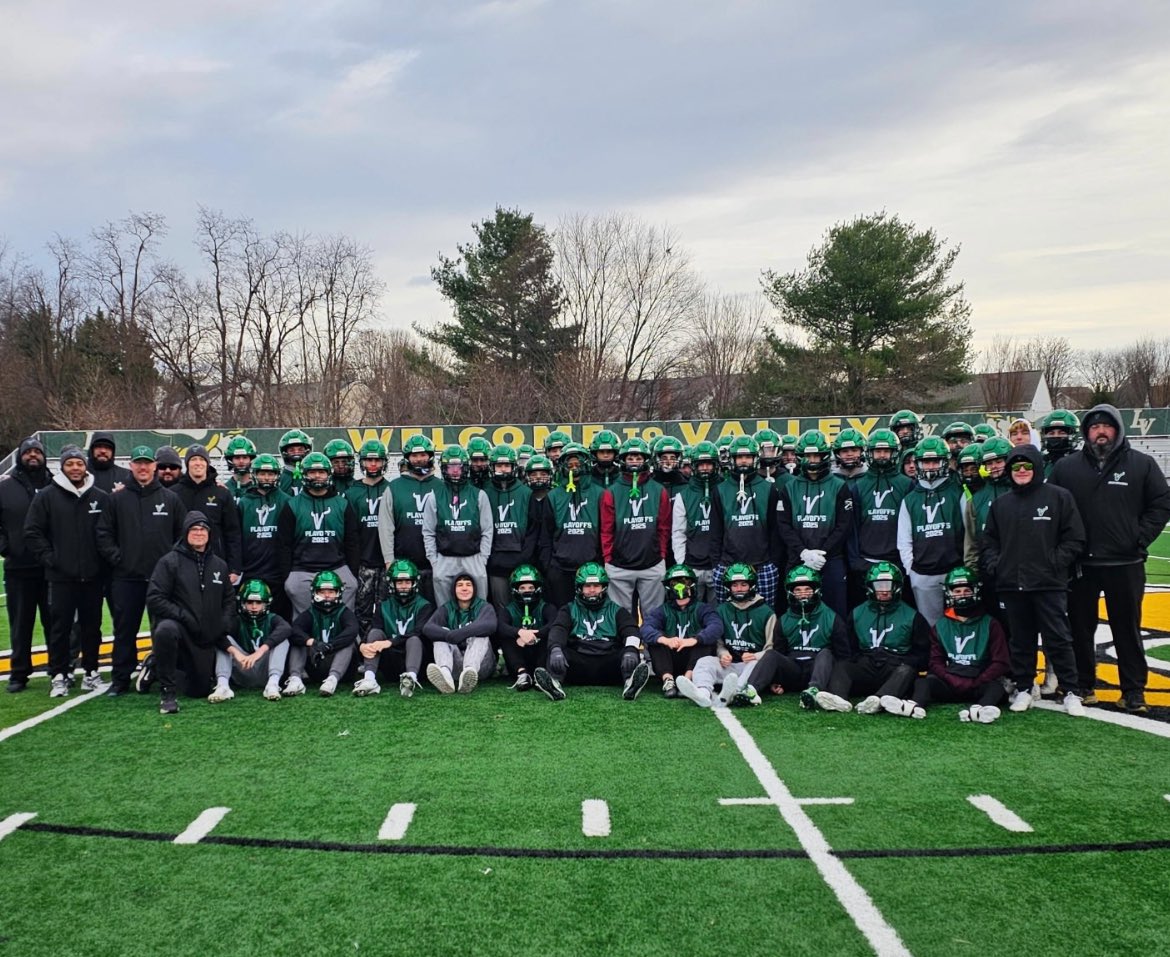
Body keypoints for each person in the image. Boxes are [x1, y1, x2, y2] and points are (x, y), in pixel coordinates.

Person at [1049, 404, 1170, 713]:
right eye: (1094, 427)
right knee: (1080, 628)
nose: (1100, 432)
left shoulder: (1141, 465)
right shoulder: (1067, 467)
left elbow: (1161, 503)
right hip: (1082, 564)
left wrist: (1139, 537)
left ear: (1117, 429)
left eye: (1107, 426)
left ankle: (1133, 690)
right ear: (1086, 432)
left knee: (1127, 629)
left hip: (1125, 564)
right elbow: (1054, 511)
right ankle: (1083, 685)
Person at [982, 444, 1086, 716]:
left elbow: (1074, 538)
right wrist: (997, 565)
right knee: (1021, 641)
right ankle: (1024, 688)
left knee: (1059, 639)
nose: (1022, 471)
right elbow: (989, 542)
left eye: (1027, 466)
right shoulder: (1001, 504)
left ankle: (1072, 691)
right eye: (1016, 467)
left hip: (1049, 584)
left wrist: (1054, 564)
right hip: (1012, 585)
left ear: (1037, 468)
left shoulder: (1059, 497)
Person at [96, 445, 187, 696]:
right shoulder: (117, 499)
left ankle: (163, 676)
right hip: (127, 578)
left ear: (154, 466)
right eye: (139, 463)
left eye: (148, 463)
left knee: (164, 630)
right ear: (131, 466)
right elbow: (103, 534)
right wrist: (120, 559)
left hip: (162, 581)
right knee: (125, 630)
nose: (143, 467)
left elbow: (183, 536)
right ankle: (120, 679)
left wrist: (171, 566)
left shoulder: (170, 499)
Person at [23, 446, 109, 697]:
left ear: (85, 466)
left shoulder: (99, 497)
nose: (75, 468)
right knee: (60, 628)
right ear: (62, 466)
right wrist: (51, 559)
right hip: (61, 577)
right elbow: (32, 531)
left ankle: (91, 672)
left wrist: (101, 563)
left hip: (92, 577)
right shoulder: (47, 496)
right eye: (70, 463)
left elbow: (106, 533)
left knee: (92, 627)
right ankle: (59, 674)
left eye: (79, 464)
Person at [879, 567, 1010, 722]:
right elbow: (935, 662)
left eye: (966, 590)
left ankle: (980, 710)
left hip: (978, 681)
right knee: (923, 683)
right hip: (950, 681)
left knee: (996, 688)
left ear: (975, 591)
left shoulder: (991, 624)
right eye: (957, 591)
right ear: (949, 593)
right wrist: (951, 678)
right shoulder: (940, 625)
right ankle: (914, 705)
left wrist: (978, 680)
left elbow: (1001, 662)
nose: (962, 595)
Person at [143, 512, 236, 714]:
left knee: (199, 690)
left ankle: (156, 666)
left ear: (209, 534)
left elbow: (229, 600)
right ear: (185, 533)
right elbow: (155, 598)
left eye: (203, 529)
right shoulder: (169, 562)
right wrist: (183, 616)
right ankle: (167, 692)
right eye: (194, 529)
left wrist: (223, 624)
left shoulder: (219, 565)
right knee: (165, 630)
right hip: (180, 628)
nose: (199, 533)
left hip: (206, 636)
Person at [815, 562, 929, 714]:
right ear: (870, 587)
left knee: (906, 670)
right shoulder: (857, 613)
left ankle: (879, 700)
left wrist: (903, 661)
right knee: (842, 666)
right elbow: (849, 647)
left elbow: (922, 653)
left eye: (888, 585)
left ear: (897, 587)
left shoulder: (913, 616)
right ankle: (838, 698)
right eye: (879, 586)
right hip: (867, 663)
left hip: (895, 665)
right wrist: (860, 659)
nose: (883, 591)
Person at [532, 562, 648, 702]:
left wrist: (630, 649)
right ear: (579, 588)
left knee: (629, 652)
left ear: (604, 587)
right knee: (556, 651)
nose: (592, 590)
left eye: (596, 586)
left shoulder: (617, 610)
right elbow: (558, 629)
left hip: (609, 665)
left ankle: (630, 683)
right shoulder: (568, 609)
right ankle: (555, 683)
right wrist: (555, 649)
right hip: (578, 665)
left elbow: (631, 630)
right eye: (587, 586)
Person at [747, 564, 851, 710]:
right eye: (798, 590)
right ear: (791, 593)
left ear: (816, 590)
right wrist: (776, 680)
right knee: (771, 654)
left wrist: (836, 683)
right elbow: (780, 652)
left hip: (818, 671)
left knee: (826, 653)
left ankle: (813, 692)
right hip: (794, 669)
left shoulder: (832, 618)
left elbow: (843, 656)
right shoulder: (784, 619)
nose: (803, 594)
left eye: (807, 589)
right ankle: (750, 690)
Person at [777, 430, 854, 617]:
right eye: (808, 456)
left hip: (831, 559)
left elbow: (844, 525)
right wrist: (804, 552)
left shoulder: (839, 486)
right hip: (798, 558)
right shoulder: (789, 487)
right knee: (796, 612)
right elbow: (783, 525)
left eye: (817, 456)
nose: (812, 460)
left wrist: (823, 552)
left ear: (825, 457)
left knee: (835, 613)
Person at [276, 451, 360, 617]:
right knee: (305, 618)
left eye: (321, 472)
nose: (317, 476)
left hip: (337, 567)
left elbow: (352, 542)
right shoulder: (292, 505)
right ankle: (304, 642)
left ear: (329, 474)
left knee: (349, 590)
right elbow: (284, 545)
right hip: (302, 569)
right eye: (312, 472)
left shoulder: (342, 504)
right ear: (305, 475)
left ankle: (344, 640)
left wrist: (353, 573)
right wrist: (287, 576)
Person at [0, 437, 52, 693]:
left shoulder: (55, 484)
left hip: (51, 568)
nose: (33, 456)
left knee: (55, 622)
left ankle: (59, 669)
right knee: (21, 623)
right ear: (20, 456)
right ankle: (19, 673)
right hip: (18, 568)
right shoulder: (5, 487)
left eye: (37, 452)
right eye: (28, 452)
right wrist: (6, 547)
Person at [599, 438, 671, 616]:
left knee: (654, 615)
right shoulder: (611, 492)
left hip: (652, 563)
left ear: (646, 459)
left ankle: (652, 644)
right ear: (622, 460)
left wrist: (660, 555)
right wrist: (608, 558)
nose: (634, 462)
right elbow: (606, 530)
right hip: (619, 565)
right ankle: (624, 644)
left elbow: (664, 527)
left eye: (638, 457)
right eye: (630, 458)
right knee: (620, 616)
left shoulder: (659, 490)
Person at [897, 435, 964, 626]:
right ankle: (935, 657)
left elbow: (969, 533)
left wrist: (964, 565)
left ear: (944, 462)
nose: (930, 467)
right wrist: (913, 570)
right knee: (930, 625)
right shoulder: (910, 499)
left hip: (954, 570)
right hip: (923, 572)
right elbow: (904, 539)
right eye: (926, 462)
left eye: (935, 461)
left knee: (959, 620)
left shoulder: (958, 492)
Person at [710, 436, 783, 606]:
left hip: (763, 564)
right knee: (727, 616)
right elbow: (716, 530)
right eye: (739, 457)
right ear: (733, 459)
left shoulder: (769, 488)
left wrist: (773, 562)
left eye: (748, 457)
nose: (744, 461)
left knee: (764, 615)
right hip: (728, 565)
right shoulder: (720, 489)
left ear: (755, 459)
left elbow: (776, 529)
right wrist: (717, 563)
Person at [421, 445, 492, 609]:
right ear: (444, 469)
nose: (454, 471)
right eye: (450, 467)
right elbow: (428, 531)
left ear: (465, 467)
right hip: (444, 559)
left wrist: (483, 558)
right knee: (445, 608)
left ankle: (477, 633)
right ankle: (447, 635)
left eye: (458, 467)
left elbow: (487, 530)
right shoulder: (434, 496)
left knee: (479, 605)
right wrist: (434, 560)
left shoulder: (479, 495)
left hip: (473, 558)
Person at [354, 559, 434, 698]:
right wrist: (362, 645)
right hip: (391, 663)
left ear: (414, 583)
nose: (403, 586)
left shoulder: (424, 605)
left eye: (407, 582)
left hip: (418, 662)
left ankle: (410, 678)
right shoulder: (383, 606)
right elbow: (373, 629)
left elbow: (419, 632)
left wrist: (390, 642)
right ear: (392, 583)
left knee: (414, 639)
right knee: (375, 632)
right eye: (399, 582)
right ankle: (370, 678)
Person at [640, 563, 721, 697]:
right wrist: (665, 640)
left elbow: (716, 627)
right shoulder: (662, 610)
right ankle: (668, 681)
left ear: (692, 586)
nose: (680, 588)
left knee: (706, 642)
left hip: (694, 660)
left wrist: (694, 640)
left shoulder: (702, 608)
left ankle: (688, 680)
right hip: (671, 658)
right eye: (675, 583)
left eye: (685, 582)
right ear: (669, 588)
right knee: (655, 641)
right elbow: (646, 628)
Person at [207, 579, 291, 703]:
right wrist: (236, 652)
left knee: (283, 641)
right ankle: (222, 685)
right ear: (242, 602)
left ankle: (273, 684)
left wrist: (261, 650)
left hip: (265, 670)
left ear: (266, 603)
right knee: (225, 640)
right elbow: (216, 635)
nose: (254, 606)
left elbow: (286, 629)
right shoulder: (236, 620)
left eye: (258, 602)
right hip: (242, 667)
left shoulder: (273, 619)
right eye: (249, 602)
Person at [378, 434, 439, 604]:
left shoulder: (441, 486)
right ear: (407, 458)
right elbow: (385, 526)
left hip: (435, 565)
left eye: (423, 455)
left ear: (430, 456)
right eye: (414, 456)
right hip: (402, 566)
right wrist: (389, 560)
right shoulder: (394, 487)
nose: (419, 459)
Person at [484, 444, 542, 610]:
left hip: (521, 561)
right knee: (501, 608)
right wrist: (490, 557)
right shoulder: (484, 492)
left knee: (525, 606)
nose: (503, 469)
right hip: (495, 563)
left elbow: (533, 530)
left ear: (514, 467)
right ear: (492, 467)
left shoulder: (526, 493)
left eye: (507, 465)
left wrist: (524, 556)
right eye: (499, 466)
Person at [285, 569, 360, 697]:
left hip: (342, 667)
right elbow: (294, 631)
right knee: (299, 641)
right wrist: (312, 642)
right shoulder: (310, 613)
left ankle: (332, 679)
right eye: (322, 591)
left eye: (331, 592)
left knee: (349, 643)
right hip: (316, 663)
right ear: (315, 593)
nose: (326, 595)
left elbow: (352, 631)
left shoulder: (344, 612)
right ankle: (295, 679)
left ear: (338, 593)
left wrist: (330, 646)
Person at [173, 445, 242, 583]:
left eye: (201, 459)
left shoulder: (222, 493)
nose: (198, 463)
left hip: (215, 561)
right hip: (182, 563)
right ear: (187, 464)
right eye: (193, 459)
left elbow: (233, 532)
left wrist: (234, 569)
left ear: (207, 463)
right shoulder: (174, 493)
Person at [237, 453, 294, 620]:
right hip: (251, 569)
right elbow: (237, 536)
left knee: (279, 617)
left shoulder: (287, 501)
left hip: (278, 571)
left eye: (271, 474)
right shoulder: (244, 502)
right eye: (262, 473)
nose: (266, 477)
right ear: (254, 474)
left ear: (277, 475)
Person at [345, 439, 391, 637]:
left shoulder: (392, 488)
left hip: (387, 561)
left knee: (385, 609)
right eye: (368, 460)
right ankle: (364, 650)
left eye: (377, 460)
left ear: (384, 463)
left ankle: (384, 651)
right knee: (362, 610)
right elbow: (350, 532)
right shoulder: (352, 492)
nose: (373, 464)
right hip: (363, 562)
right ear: (361, 462)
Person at [422, 572, 498, 694]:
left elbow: (491, 625)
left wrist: (460, 634)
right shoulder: (447, 608)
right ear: (454, 589)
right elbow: (428, 628)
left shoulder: (484, 606)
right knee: (441, 634)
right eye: (460, 585)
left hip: (481, 667)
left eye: (468, 585)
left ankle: (469, 672)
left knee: (480, 635)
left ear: (474, 589)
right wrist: (449, 635)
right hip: (455, 667)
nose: (464, 588)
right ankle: (445, 674)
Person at [671, 440, 724, 604]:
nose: (705, 468)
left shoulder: (725, 489)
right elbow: (678, 532)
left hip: (720, 565)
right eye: (701, 464)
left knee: (719, 614)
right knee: (694, 613)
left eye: (709, 464)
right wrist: (683, 563)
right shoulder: (683, 495)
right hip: (693, 564)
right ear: (694, 466)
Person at [496, 564, 555, 691]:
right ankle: (522, 675)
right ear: (515, 589)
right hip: (519, 655)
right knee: (506, 638)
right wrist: (519, 632)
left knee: (550, 637)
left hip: (540, 654)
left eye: (530, 587)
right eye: (522, 587)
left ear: (537, 588)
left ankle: (540, 675)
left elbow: (553, 625)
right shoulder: (508, 610)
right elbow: (500, 627)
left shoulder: (546, 607)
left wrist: (534, 635)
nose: (527, 590)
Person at [1037, 408, 1080, 477]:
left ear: (1073, 435)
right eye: (1051, 433)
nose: (1056, 436)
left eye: (1061, 433)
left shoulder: (1081, 462)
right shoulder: (1040, 463)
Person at [277, 428, 313, 496]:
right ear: (285, 453)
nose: (296, 453)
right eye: (291, 450)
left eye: (300, 450)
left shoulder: (314, 474)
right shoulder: (279, 477)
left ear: (307, 451)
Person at [222, 435, 257, 501]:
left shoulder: (259, 488)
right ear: (231, 460)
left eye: (245, 457)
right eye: (237, 457)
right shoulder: (225, 489)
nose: (241, 461)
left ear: (251, 460)